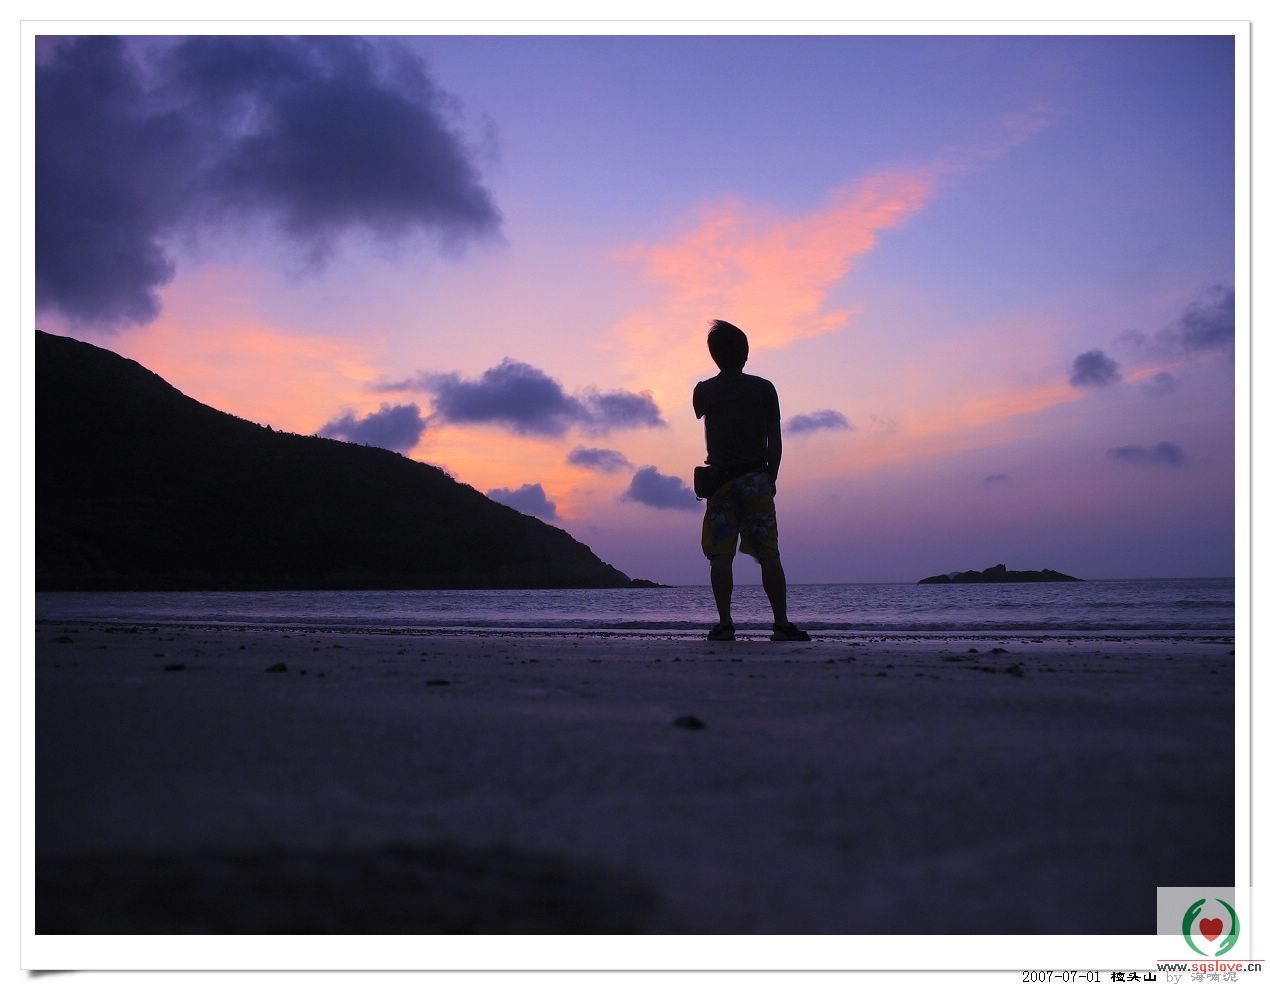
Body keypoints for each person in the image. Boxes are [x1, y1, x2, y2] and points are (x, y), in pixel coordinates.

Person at [693, 319, 811, 642]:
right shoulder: (763, 389)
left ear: (714, 355)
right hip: (756, 479)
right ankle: (781, 623)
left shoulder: (705, 391)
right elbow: (775, 437)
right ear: (745, 354)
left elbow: (699, 410)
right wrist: (772, 477)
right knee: (769, 554)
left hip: (720, 482)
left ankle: (725, 624)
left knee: (721, 556)